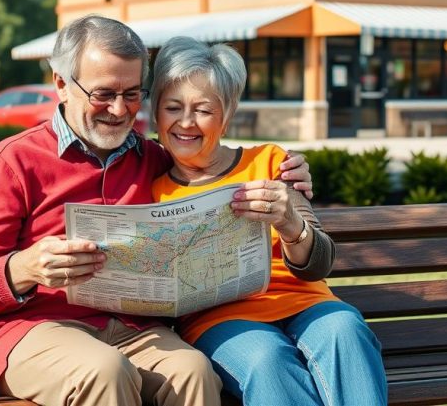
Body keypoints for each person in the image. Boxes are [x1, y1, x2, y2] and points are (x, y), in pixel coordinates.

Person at [0, 16, 313, 406]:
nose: (120, 110)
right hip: (35, 329)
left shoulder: (153, 158)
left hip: (135, 328)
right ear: (61, 86)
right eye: (103, 93)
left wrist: (289, 172)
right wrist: (25, 267)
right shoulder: (12, 161)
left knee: (193, 370)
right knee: (105, 370)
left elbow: (213, 160)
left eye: (133, 93)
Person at [151, 36, 388, 406]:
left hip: (305, 301)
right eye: (172, 107)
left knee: (345, 329)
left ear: (226, 115)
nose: (185, 122)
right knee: (266, 359)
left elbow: (320, 263)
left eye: (203, 110)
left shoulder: (272, 162)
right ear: (156, 114)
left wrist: (291, 222)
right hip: (218, 321)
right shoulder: (153, 189)